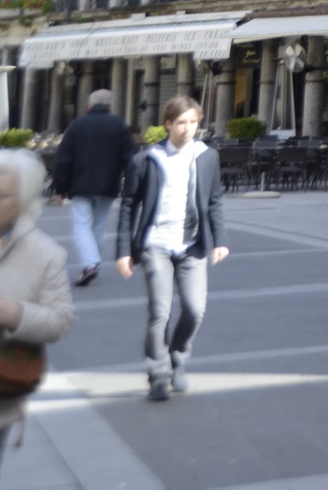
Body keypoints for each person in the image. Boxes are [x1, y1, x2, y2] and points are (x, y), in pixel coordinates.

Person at [115, 96, 227, 403]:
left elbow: (214, 200)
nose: (188, 129)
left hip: (193, 245)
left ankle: (177, 355)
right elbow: (129, 206)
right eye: (181, 123)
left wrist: (220, 240)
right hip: (156, 245)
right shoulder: (146, 159)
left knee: (195, 308)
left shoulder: (207, 156)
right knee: (160, 312)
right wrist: (124, 251)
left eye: (193, 122)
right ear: (167, 124)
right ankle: (158, 374)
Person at [0, 148, 78, 479]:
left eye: (0, 196)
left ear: (23, 201)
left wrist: (14, 313)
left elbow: (61, 319)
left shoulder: (45, 254)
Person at [52, 88, 135, 287]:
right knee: (99, 224)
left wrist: (60, 188)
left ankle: (90, 263)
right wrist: (132, 185)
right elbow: (130, 158)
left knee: (82, 224)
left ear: (89, 105)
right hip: (108, 185)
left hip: (80, 184)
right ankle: (93, 261)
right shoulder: (120, 125)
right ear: (111, 106)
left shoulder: (77, 125)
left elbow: (64, 159)